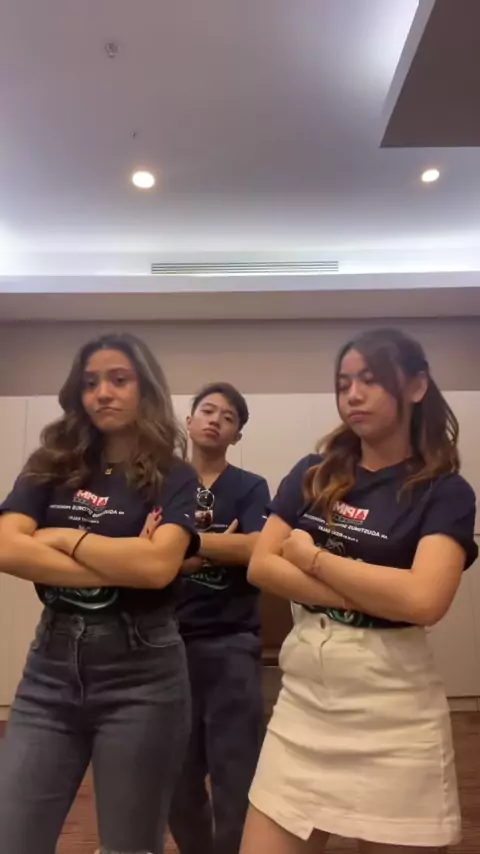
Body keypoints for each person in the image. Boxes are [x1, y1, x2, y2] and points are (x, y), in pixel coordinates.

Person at [240, 328, 478, 854]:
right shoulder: (313, 473)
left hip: (394, 712)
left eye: (370, 380)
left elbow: (424, 601)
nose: (353, 394)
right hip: (304, 702)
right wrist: (367, 592)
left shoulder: (445, 491)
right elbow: (261, 565)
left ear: (416, 386)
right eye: (344, 383)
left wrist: (313, 558)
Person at [0, 332, 200, 854]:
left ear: (145, 389)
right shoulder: (51, 464)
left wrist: (62, 538)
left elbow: (157, 568)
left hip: (143, 675)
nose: (102, 393)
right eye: (90, 383)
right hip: (49, 671)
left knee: (129, 846)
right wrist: (121, 561)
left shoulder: (174, 475)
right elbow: (6, 548)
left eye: (118, 380)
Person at [168, 382, 271, 854]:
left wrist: (181, 544)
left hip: (232, 642)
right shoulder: (163, 482)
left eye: (228, 417)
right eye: (207, 411)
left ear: (237, 435)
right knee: (175, 775)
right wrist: (222, 544)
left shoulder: (250, 487)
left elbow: (256, 548)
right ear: (189, 421)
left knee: (237, 773)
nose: (215, 420)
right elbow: (140, 552)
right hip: (165, 644)